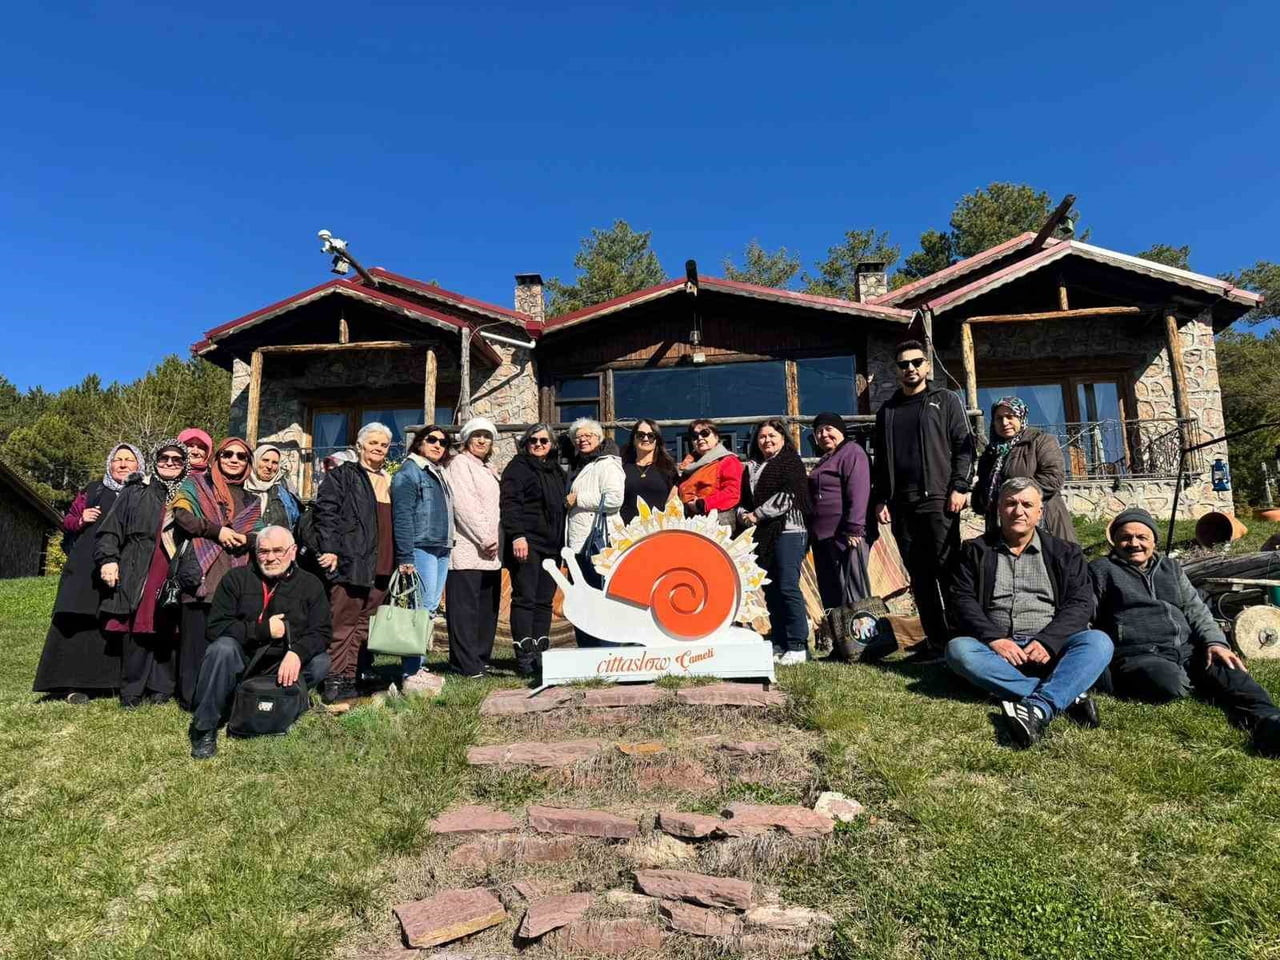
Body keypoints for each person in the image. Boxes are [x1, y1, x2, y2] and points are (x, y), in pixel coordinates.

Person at [1090, 508, 1280, 756]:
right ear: (1115, 542)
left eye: (1142, 537)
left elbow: (1196, 609)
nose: (1134, 543)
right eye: (1126, 537)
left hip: (1188, 649)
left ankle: (1269, 722)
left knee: (1232, 671)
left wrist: (1215, 642)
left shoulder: (1170, 568)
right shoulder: (1101, 570)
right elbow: (1087, 614)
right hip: (1139, 652)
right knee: (1169, 684)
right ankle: (1187, 681)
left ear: (1153, 541)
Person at [945, 478, 1112, 748]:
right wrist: (994, 639)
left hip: (1051, 648)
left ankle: (1038, 706)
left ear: (1039, 513)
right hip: (997, 650)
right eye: (1010, 503)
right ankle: (1064, 697)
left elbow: (1080, 603)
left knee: (1099, 642)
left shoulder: (1065, 552)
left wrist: (1049, 640)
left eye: (1026, 504)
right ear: (999, 509)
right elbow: (961, 600)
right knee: (958, 651)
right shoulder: (976, 551)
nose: (1018, 511)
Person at [187, 526, 332, 759]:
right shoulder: (236, 579)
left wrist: (297, 653)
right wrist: (263, 630)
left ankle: (286, 704)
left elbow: (322, 632)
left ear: (293, 551)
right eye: (264, 551)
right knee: (222, 649)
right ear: (255, 552)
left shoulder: (311, 585)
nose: (271, 557)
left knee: (321, 662)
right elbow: (216, 627)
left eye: (278, 551)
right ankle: (205, 727)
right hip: (243, 660)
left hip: (282, 664)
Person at [873, 340, 975, 657]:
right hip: (902, 505)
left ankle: (961, 642)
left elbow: (964, 446)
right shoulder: (887, 411)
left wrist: (960, 486)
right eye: (904, 364)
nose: (911, 369)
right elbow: (880, 461)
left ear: (927, 366)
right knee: (919, 576)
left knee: (947, 571)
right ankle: (935, 642)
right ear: (897, 370)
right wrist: (880, 499)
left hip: (939, 500)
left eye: (916, 362)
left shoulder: (945, 401)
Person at [32, 442, 144, 702]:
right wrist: (82, 518)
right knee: (77, 621)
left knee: (109, 622)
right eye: (118, 459)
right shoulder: (93, 490)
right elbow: (67, 521)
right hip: (84, 568)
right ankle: (68, 683)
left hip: (122, 567)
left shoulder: (141, 493)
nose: (123, 464)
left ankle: (106, 683)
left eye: (129, 460)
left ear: (139, 465)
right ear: (110, 463)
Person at [96, 440, 195, 707]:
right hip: (139, 565)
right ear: (155, 460)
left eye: (177, 459)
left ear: (185, 464)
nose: (170, 463)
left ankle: (162, 687)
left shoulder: (190, 492)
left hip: (175, 566)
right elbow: (111, 528)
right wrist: (108, 559)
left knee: (169, 625)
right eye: (164, 458)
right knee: (140, 627)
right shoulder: (135, 491)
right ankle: (132, 690)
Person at [171, 437, 261, 709]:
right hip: (201, 575)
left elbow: (261, 534)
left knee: (227, 643)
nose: (234, 459)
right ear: (217, 458)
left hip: (235, 581)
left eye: (242, 456)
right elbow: (182, 517)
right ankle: (190, 699)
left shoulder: (252, 500)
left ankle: (222, 697)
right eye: (227, 454)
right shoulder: (195, 486)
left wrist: (245, 540)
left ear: (248, 464)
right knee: (194, 642)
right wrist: (218, 531)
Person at [313, 422, 396, 702]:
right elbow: (326, 514)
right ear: (359, 446)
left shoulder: (388, 480)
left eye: (383, 445)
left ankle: (351, 677)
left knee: (363, 627)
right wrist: (330, 549)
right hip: (352, 561)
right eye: (373, 443)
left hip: (382, 564)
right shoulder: (343, 476)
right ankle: (334, 680)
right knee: (343, 624)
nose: (378, 448)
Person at [738, 418, 811, 664]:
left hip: (789, 530)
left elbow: (789, 495)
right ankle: (779, 641)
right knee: (770, 587)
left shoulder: (791, 462)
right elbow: (743, 499)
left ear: (782, 438)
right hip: (761, 534)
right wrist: (743, 515)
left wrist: (757, 514)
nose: (767, 440)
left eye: (772, 435)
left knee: (788, 585)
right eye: (762, 437)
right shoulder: (751, 466)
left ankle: (798, 644)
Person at [391, 424, 455, 692]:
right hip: (421, 547)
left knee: (428, 610)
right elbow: (402, 516)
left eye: (443, 442)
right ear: (419, 442)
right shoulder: (409, 472)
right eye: (432, 440)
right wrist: (405, 555)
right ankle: (411, 671)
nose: (438, 445)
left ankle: (419, 666)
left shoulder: (435, 473)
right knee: (420, 610)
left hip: (440, 547)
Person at [499, 423, 566, 677]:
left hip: (551, 544)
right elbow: (510, 503)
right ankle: (525, 656)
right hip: (527, 542)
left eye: (544, 441)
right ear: (526, 444)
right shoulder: (518, 468)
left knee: (544, 600)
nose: (538, 445)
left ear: (551, 445)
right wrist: (517, 535)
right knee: (525, 597)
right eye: (533, 441)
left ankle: (541, 653)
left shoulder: (556, 471)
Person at [972, 397, 1075, 542]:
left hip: (1042, 522)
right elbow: (982, 489)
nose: (1004, 422)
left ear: (1021, 417)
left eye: (1010, 417)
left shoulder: (1040, 441)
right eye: (999, 418)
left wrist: (1010, 495)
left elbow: (1053, 477)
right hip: (1002, 527)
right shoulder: (990, 453)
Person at [445, 417, 502, 676]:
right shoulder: (460, 464)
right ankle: (465, 663)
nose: (482, 440)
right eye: (477, 435)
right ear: (466, 439)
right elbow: (464, 504)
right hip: (470, 548)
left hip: (492, 553)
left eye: (487, 436)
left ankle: (480, 658)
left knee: (485, 609)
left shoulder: (487, 468)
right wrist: (486, 537)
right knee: (465, 610)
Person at [565, 417, 625, 647]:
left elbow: (614, 499)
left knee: (600, 598)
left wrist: (578, 498)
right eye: (578, 437)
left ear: (599, 438)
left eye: (588, 435)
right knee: (584, 600)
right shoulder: (581, 465)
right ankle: (589, 651)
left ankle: (607, 651)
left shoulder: (607, 464)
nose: (582, 440)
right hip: (581, 544)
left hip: (599, 544)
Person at [807, 412, 874, 611]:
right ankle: (840, 639)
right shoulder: (826, 459)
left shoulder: (852, 452)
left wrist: (855, 528)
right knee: (832, 593)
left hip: (845, 536)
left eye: (829, 429)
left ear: (841, 430)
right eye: (819, 431)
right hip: (824, 536)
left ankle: (862, 638)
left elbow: (858, 490)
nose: (823, 434)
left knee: (852, 591)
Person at [677, 419, 742, 523]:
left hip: (716, 521)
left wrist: (701, 504)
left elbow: (732, 493)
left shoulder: (728, 461)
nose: (700, 438)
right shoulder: (688, 465)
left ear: (716, 437)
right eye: (694, 436)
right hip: (692, 520)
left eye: (705, 433)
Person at [620, 419, 677, 523]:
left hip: (658, 531)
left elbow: (674, 502)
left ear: (657, 440)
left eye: (651, 435)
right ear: (633, 438)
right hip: (628, 533)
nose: (645, 439)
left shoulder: (668, 468)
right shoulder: (622, 467)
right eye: (640, 435)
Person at [245, 443, 301, 531]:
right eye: (265, 460)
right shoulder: (242, 487)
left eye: (274, 463)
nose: (269, 466)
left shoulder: (284, 489)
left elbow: (296, 519)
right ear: (255, 460)